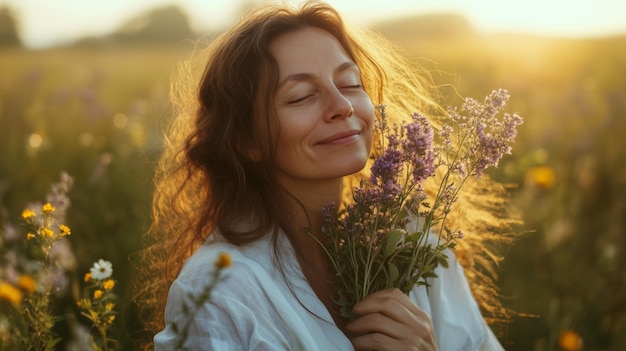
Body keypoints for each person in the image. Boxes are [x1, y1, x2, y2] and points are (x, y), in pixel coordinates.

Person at [135, 1, 515, 350]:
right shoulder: (221, 289)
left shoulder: (414, 239)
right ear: (246, 140)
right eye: (301, 96)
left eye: (350, 83)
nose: (343, 106)